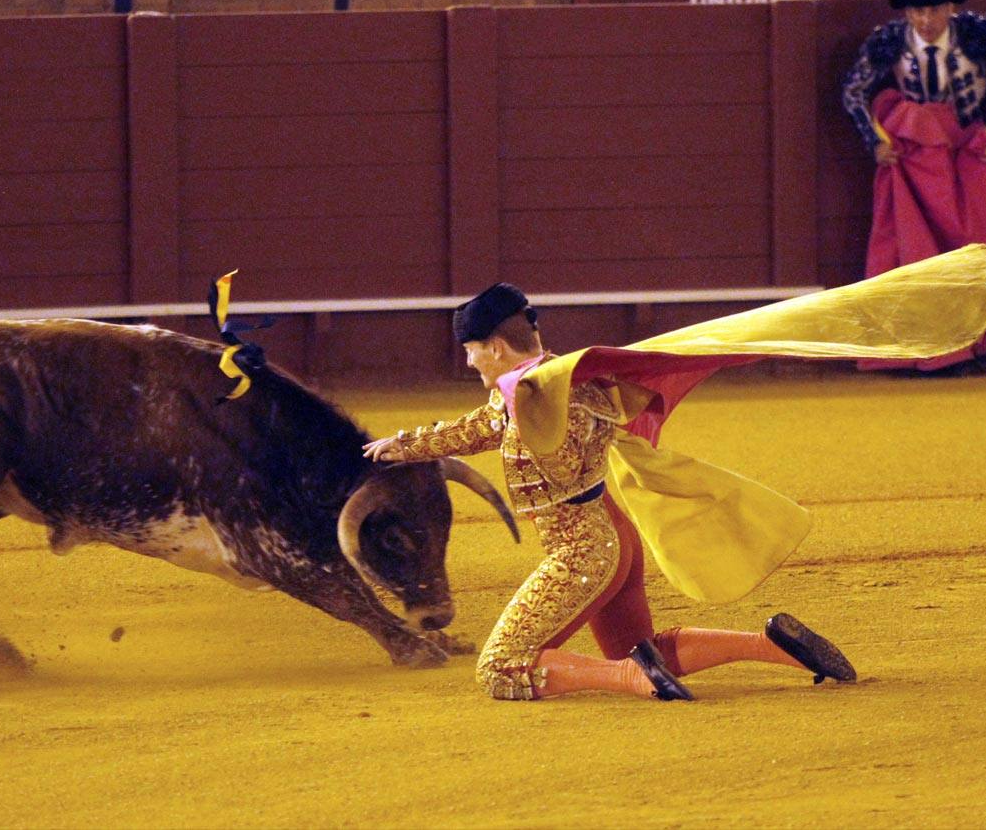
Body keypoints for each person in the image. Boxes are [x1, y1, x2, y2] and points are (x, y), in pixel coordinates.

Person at [362, 283, 857, 702]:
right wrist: (402, 446)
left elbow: (561, 467)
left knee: (501, 667)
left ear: (493, 346)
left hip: (583, 551)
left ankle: (635, 680)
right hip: (609, 536)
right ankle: (775, 647)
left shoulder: (547, 395)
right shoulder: (537, 388)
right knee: (638, 647)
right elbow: (481, 427)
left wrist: (537, 429)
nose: (470, 363)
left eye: (470, 351)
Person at [840, 0, 986, 371]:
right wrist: (875, 143)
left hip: (967, 151)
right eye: (918, 12)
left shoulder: (978, 33)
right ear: (907, 12)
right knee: (913, 248)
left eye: (935, 10)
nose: (926, 20)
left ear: (951, 9)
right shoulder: (888, 39)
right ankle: (916, 348)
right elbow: (853, 91)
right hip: (918, 156)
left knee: (981, 242)